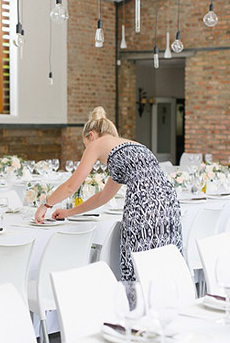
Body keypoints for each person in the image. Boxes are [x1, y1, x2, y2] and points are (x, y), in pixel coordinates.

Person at [34, 106, 183, 281]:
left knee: (138, 264)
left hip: (145, 206)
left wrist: (45, 205)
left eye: (85, 145)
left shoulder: (97, 144)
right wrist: (69, 212)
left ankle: (136, 305)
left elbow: (71, 186)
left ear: (91, 136)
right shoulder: (132, 147)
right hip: (169, 205)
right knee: (162, 264)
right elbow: (104, 196)